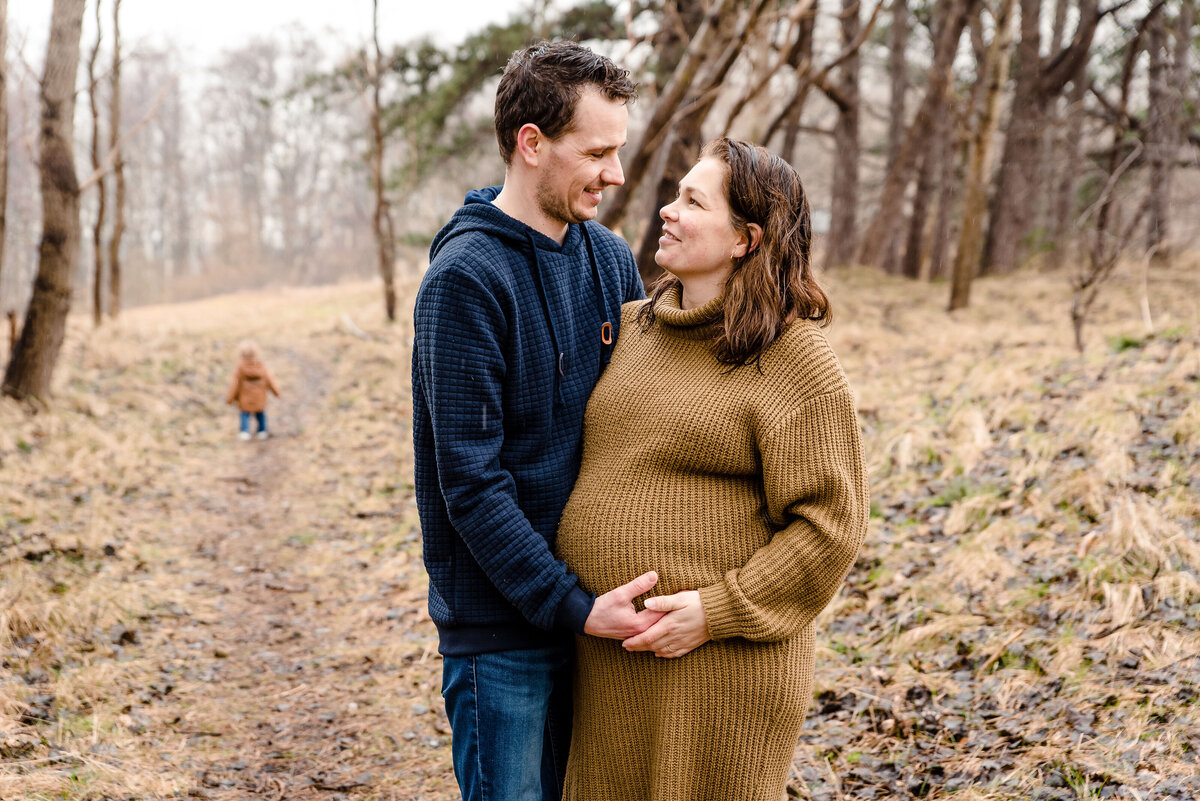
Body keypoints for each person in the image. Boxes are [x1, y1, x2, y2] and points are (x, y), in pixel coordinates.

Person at [556, 137, 871, 800]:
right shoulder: (633, 327)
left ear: (744, 239)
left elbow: (831, 527)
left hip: (718, 665)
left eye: (692, 202)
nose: (668, 211)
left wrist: (718, 609)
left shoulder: (794, 358)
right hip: (610, 663)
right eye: (675, 195)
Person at [410, 41, 661, 801]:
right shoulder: (464, 281)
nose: (615, 174)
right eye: (598, 152)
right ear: (531, 143)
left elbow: (645, 420)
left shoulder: (610, 259)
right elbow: (473, 486)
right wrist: (572, 607)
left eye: (618, 151)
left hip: (597, 621)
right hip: (505, 635)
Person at [225, 340, 280, 441]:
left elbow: (235, 384)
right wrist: (276, 392)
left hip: (245, 399)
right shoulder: (262, 367)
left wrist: (230, 399)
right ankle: (262, 430)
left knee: (244, 414)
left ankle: (245, 431)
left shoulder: (240, 369)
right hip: (260, 398)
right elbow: (270, 380)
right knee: (260, 413)